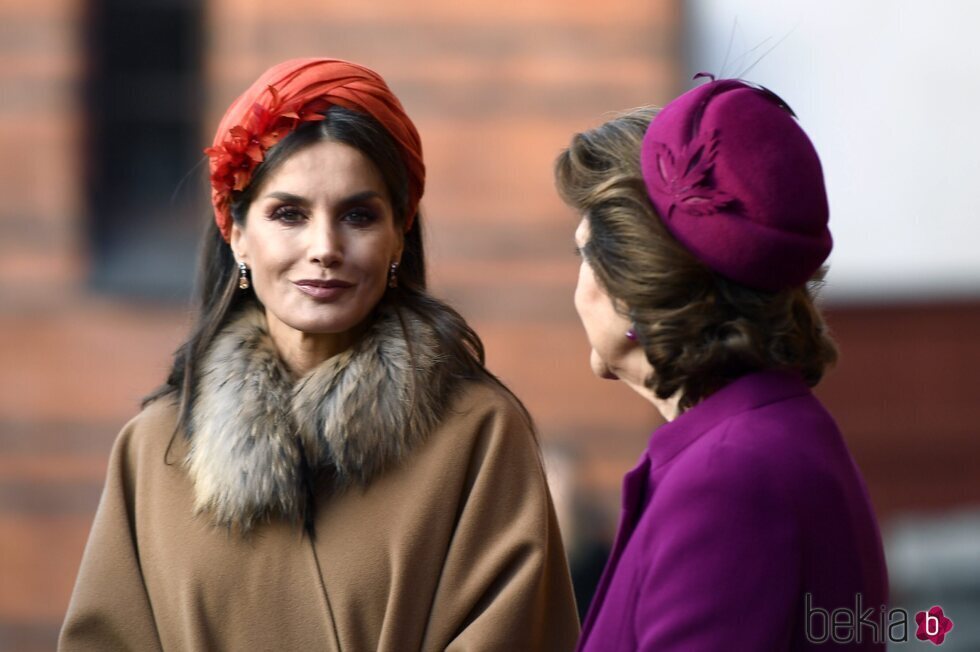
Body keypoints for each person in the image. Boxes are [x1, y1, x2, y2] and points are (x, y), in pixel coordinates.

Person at [60, 58, 579, 651]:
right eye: (289, 214)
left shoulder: (479, 435)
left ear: (400, 232)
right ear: (236, 232)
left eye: (358, 215)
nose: (325, 248)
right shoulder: (155, 448)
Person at [554, 76, 888, 650]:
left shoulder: (727, 480)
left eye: (583, 253)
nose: (576, 283)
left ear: (634, 290)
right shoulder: (765, 438)